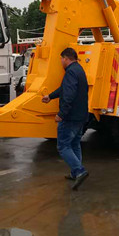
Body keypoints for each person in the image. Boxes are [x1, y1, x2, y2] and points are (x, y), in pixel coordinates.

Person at [42, 47, 90, 190]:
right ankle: (76, 172)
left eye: (61, 59)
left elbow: (68, 95)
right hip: (81, 115)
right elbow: (64, 89)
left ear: (66, 58)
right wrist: (50, 96)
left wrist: (61, 114)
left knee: (63, 146)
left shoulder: (70, 72)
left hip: (70, 117)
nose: (61, 62)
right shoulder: (79, 70)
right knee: (74, 144)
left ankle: (80, 171)